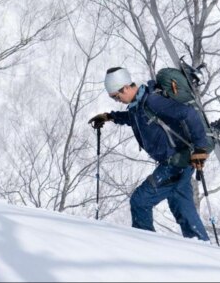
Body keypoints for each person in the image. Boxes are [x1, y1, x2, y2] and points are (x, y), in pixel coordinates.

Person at [89, 66, 212, 240]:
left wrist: (200, 147)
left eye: (117, 96)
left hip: (175, 164)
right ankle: (203, 248)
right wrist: (109, 117)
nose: (117, 100)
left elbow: (189, 113)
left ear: (126, 87)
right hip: (177, 164)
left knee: (140, 201)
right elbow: (133, 119)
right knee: (184, 211)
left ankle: (145, 246)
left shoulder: (152, 101)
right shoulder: (138, 105)